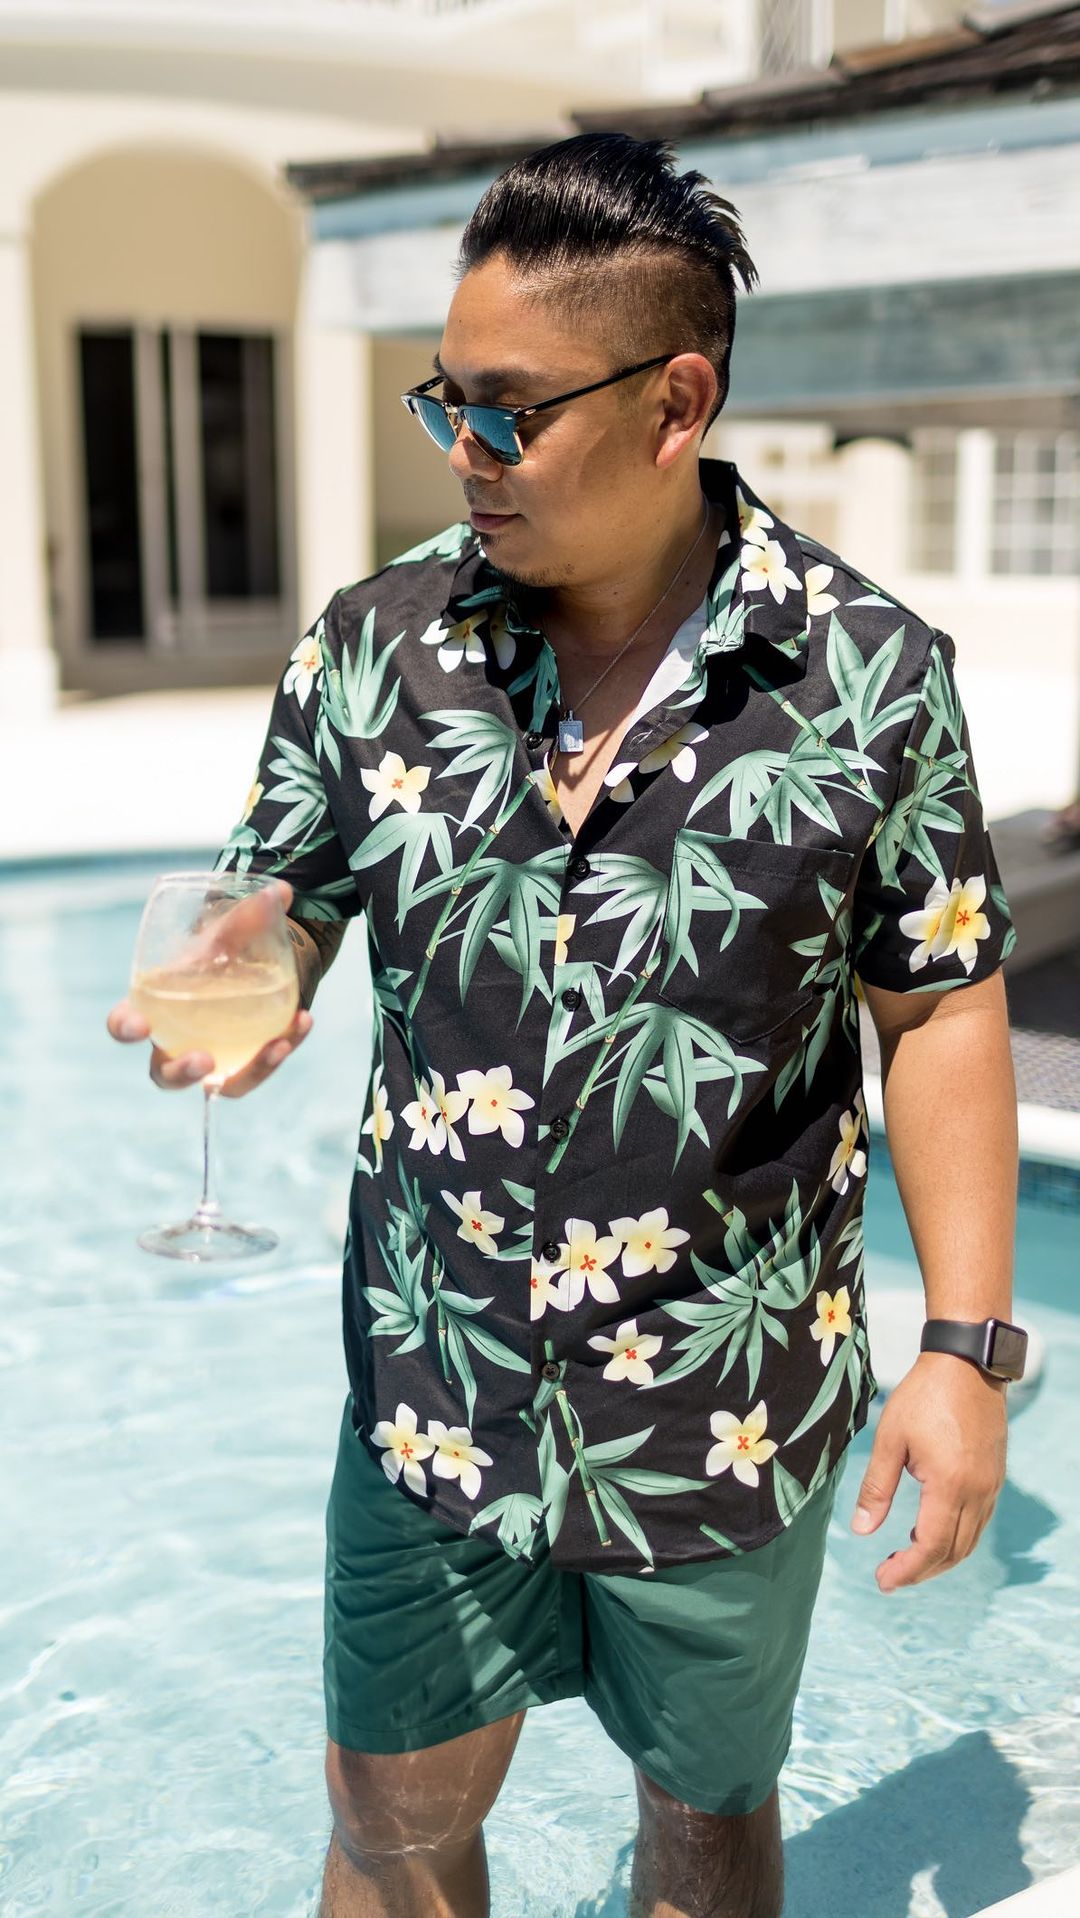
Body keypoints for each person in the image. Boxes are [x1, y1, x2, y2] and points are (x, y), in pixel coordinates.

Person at [108, 133, 1026, 1918]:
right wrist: (273, 953)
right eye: (443, 400)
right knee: (389, 1816)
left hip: (723, 1398)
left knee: (703, 1826)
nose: (464, 448)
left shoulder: (869, 675)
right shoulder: (373, 646)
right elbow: (288, 887)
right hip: (435, 1381)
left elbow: (940, 1000)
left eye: (507, 413)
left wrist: (964, 1348)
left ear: (677, 401)